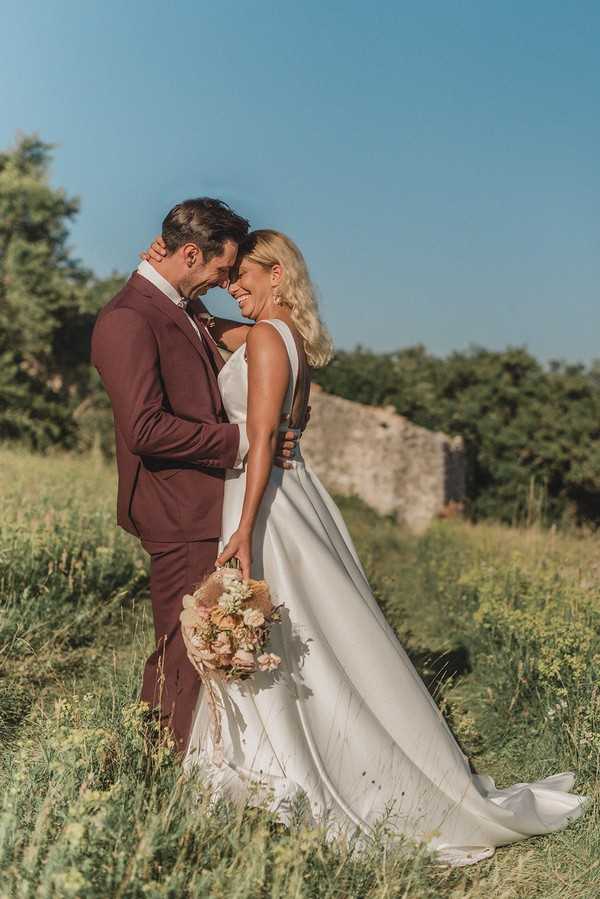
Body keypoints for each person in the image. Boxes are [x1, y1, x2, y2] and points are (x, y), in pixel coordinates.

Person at [143, 228, 588, 866]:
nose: (232, 284)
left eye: (243, 274)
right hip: (286, 491)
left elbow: (264, 437)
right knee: (296, 633)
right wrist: (170, 281)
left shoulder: (268, 337)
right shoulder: (284, 336)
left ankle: (289, 769)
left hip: (261, 499)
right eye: (227, 274)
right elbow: (209, 330)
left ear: (277, 273)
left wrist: (242, 527)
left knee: (267, 627)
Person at [91, 199, 299, 755]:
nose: (224, 280)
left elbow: (263, 341)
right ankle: (159, 765)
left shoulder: (181, 309)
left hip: (205, 504)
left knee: (194, 642)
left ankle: (186, 759)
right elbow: (145, 428)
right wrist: (243, 442)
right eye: (219, 269)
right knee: (181, 646)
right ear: (189, 254)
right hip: (177, 506)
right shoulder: (128, 319)